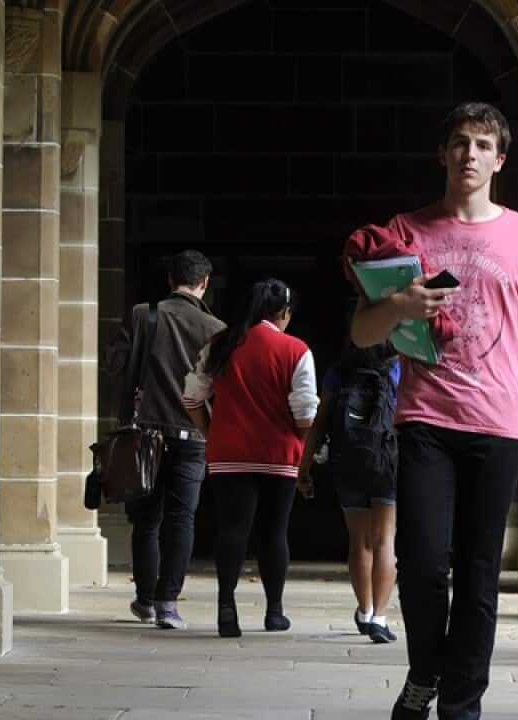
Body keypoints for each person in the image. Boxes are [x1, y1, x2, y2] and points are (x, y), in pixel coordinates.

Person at [349, 102, 518, 720]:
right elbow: (363, 333)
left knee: (477, 575)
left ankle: (462, 704)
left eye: (482, 145)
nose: (469, 154)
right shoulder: (406, 231)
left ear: (500, 160)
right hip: (425, 419)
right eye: (459, 142)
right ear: (443, 153)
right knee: (421, 561)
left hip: (497, 426)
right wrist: (402, 304)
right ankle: (425, 671)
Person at [183, 278, 319, 638]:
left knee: (232, 530)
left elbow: (192, 398)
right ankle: (274, 612)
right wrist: (301, 450)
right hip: (279, 455)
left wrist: (212, 434)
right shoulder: (296, 349)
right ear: (284, 313)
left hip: (229, 454)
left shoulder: (221, 345)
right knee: (274, 532)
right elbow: (305, 412)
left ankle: (226, 608)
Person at [118, 250, 226, 630]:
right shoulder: (217, 329)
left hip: (145, 431)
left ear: (171, 279)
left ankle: (145, 599)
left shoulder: (143, 315)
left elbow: (117, 365)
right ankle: (168, 603)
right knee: (182, 519)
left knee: (146, 520)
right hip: (193, 434)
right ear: (204, 283)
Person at [297, 341, 401, 644]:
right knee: (385, 540)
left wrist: (304, 467)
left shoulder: (339, 371)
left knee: (359, 541)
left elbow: (320, 421)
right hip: (387, 461)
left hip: (348, 461)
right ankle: (380, 618)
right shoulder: (400, 368)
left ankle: (365, 611)